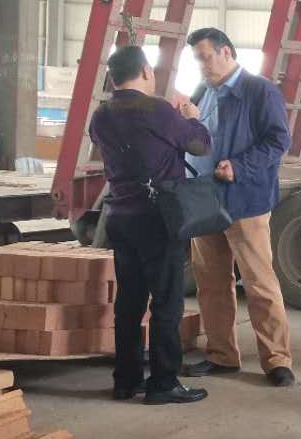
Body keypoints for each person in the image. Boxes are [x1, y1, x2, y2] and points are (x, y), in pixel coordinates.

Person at [88, 45, 210, 405]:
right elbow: (200, 145)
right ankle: (163, 383)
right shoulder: (157, 110)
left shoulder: (101, 115)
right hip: (157, 219)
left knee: (129, 302)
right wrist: (193, 117)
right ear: (145, 71)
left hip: (119, 217)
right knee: (167, 303)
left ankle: (126, 380)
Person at [183, 27, 295, 387]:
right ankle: (221, 355)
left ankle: (277, 360)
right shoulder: (203, 92)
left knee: (259, 283)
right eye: (197, 60)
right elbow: (199, 139)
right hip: (205, 201)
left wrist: (240, 166)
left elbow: (279, 140)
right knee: (211, 283)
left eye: (205, 57)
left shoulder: (260, 91)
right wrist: (187, 119)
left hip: (245, 203)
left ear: (226, 52)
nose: (202, 66)